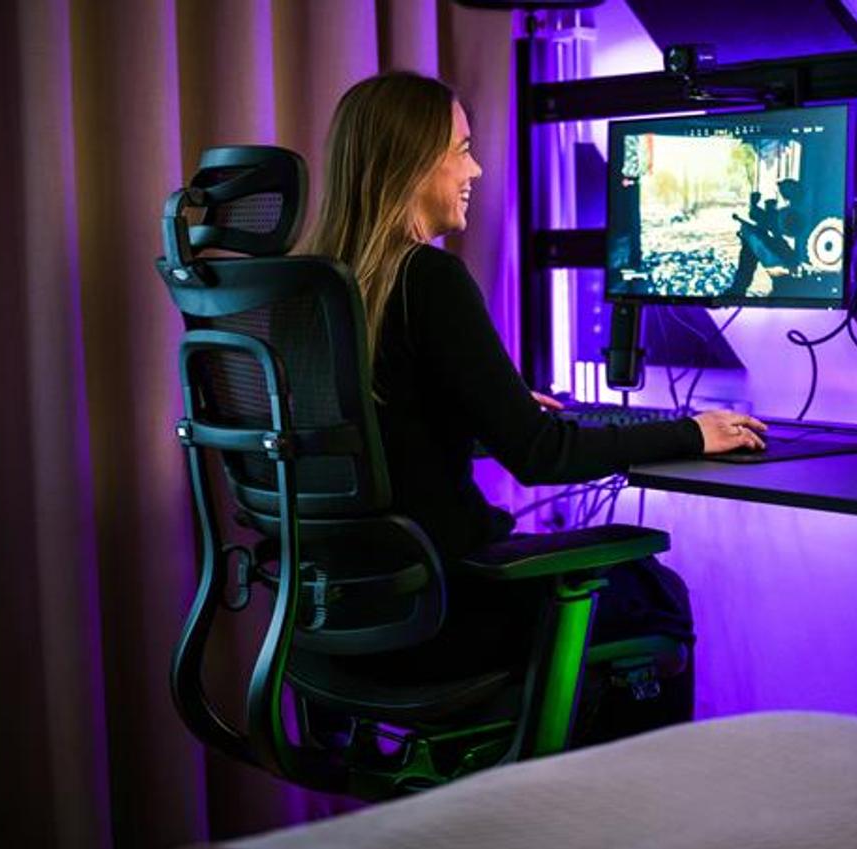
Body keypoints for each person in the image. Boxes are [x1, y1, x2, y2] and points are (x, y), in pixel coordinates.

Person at [300, 71, 767, 743]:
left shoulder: (321, 293)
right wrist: (691, 432)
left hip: (346, 621)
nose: (477, 168)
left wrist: (492, 400)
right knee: (656, 592)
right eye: (461, 149)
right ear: (412, 161)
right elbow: (543, 455)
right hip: (446, 614)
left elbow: (387, 425)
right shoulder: (428, 279)